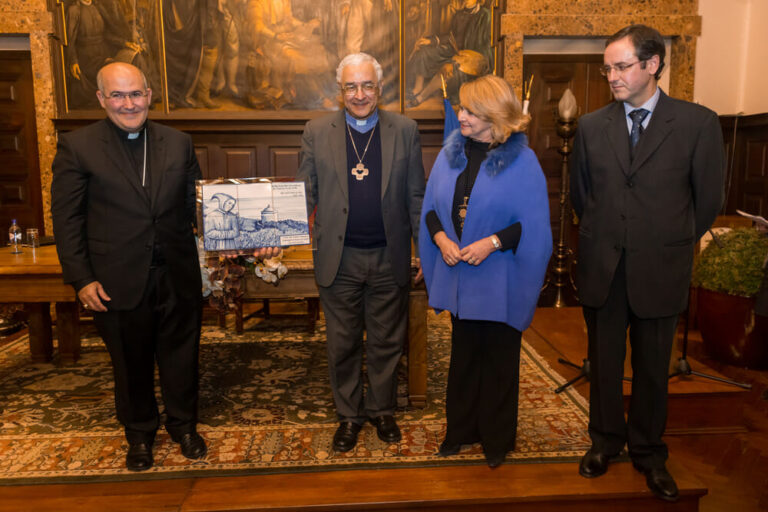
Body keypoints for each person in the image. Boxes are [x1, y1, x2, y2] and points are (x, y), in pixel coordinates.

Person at [570, 24, 724, 501]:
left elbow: (706, 202)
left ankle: (649, 453)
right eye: (608, 68)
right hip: (604, 269)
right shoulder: (593, 127)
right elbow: (582, 197)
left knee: (655, 370)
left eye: (621, 66)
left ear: (652, 64)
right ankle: (605, 443)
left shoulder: (698, 123)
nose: (611, 76)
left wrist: (666, 242)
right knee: (605, 365)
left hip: (661, 269)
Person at [51, 62, 207, 472]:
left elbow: (202, 206)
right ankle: (139, 434)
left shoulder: (179, 143)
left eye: (135, 94)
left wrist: (243, 235)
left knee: (182, 357)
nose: (128, 103)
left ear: (149, 95)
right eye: (117, 95)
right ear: (102, 99)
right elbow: (66, 219)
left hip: (177, 272)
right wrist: (81, 278)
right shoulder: (78, 146)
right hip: (115, 277)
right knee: (129, 360)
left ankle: (184, 426)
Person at [418, 75, 551, 467]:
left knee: (498, 362)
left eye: (470, 111)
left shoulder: (522, 161)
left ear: (494, 116)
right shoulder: (450, 153)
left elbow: (533, 225)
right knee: (463, 360)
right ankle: (459, 431)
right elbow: (430, 210)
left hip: (500, 277)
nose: (460, 116)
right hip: (460, 274)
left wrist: (491, 242)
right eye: (461, 108)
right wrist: (441, 239)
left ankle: (496, 439)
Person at [295, 52, 425, 453]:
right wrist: (275, 232)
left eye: (367, 85)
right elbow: (304, 193)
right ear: (340, 91)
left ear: (379, 88)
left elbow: (416, 195)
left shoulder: (405, 130)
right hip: (340, 257)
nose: (359, 94)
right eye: (351, 86)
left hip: (390, 255)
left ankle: (382, 409)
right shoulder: (317, 132)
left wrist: (423, 250)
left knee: (387, 340)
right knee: (343, 342)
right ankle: (349, 416)